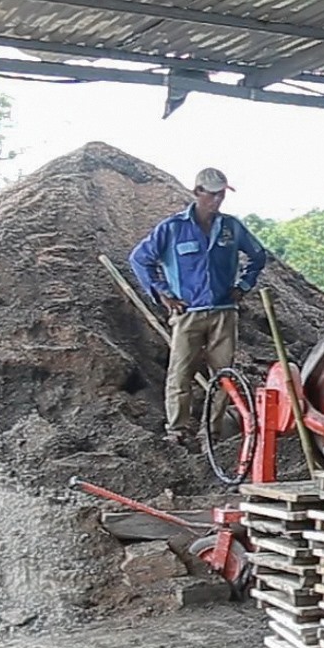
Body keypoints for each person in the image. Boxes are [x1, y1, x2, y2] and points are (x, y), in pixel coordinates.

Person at [129, 167, 268, 447]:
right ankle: (178, 430)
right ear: (197, 192)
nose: (217, 201)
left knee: (223, 375)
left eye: (221, 195)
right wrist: (163, 294)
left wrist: (242, 287)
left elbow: (258, 255)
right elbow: (139, 259)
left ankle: (212, 432)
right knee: (181, 373)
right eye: (212, 194)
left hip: (223, 312)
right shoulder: (172, 228)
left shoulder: (231, 227)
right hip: (187, 313)